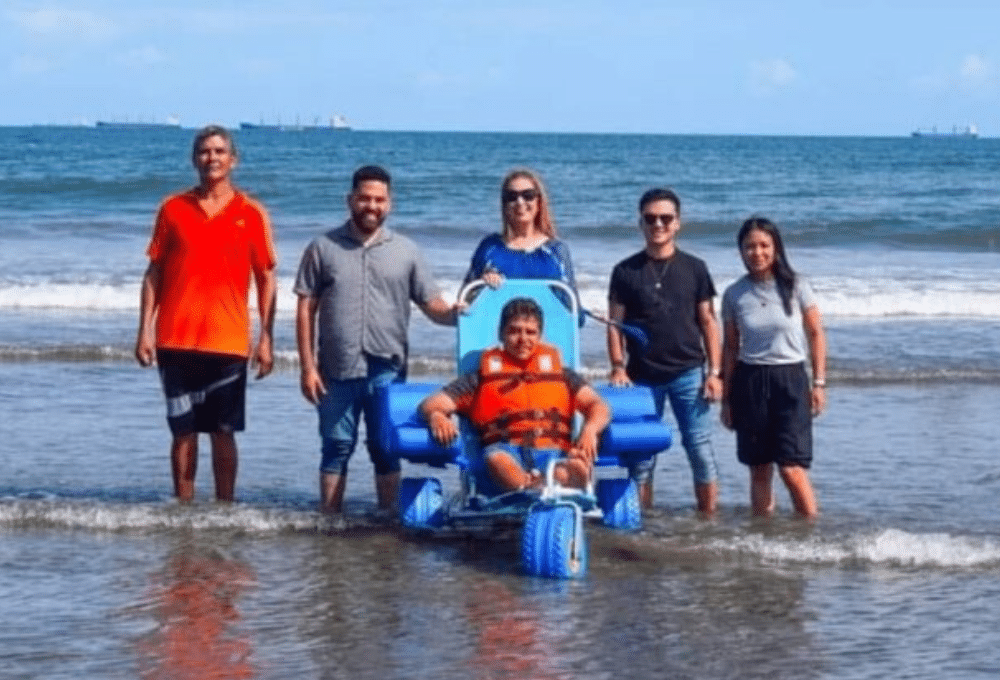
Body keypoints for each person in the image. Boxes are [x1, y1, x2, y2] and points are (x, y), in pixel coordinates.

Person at [294, 165, 458, 514]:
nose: (372, 206)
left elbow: (434, 306)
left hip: (387, 368)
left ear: (390, 204)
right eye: (365, 198)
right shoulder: (322, 247)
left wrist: (465, 313)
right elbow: (305, 308)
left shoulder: (407, 251)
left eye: (379, 200)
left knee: (385, 448)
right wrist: (308, 367)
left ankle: (388, 523)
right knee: (336, 446)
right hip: (335, 368)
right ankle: (329, 522)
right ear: (350, 199)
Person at [135, 125, 277, 503]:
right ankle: (184, 509)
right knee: (182, 432)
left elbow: (266, 277)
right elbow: (154, 272)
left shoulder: (251, 213)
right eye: (204, 151)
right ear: (194, 158)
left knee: (222, 431)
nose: (211, 158)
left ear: (233, 160)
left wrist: (265, 337)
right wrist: (143, 331)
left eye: (219, 151)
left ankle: (224, 509)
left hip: (228, 342)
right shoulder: (172, 208)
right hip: (174, 339)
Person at [606, 188, 722, 514]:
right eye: (650, 218)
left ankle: (708, 520)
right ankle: (641, 520)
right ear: (640, 223)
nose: (658, 224)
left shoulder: (695, 268)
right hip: (641, 377)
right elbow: (615, 325)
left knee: (699, 449)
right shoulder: (625, 271)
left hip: (689, 374)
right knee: (641, 455)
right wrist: (618, 366)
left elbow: (708, 321)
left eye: (665, 218)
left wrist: (714, 373)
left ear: (678, 224)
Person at [420, 298, 610, 492]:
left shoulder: (563, 375)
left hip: (553, 455)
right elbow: (432, 404)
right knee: (497, 459)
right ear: (501, 334)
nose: (523, 339)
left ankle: (538, 487)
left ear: (539, 336)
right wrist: (437, 416)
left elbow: (598, 405)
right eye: (514, 331)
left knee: (578, 467)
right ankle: (533, 490)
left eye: (530, 332)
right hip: (505, 454)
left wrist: (590, 430)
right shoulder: (479, 380)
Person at [720, 217, 827, 519]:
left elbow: (816, 333)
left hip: (790, 379)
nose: (757, 252)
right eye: (749, 247)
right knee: (759, 469)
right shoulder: (734, 294)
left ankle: (810, 532)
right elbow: (730, 347)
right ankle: (763, 536)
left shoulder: (798, 286)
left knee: (792, 468)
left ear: (776, 248)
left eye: (764, 245)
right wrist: (727, 399)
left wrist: (818, 383)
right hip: (750, 381)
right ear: (741, 251)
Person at [464, 168, 578, 293]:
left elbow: (571, 303)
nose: (520, 202)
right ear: (504, 204)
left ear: (539, 202)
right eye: (511, 197)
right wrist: (483, 285)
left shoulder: (556, 250)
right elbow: (466, 301)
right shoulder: (489, 248)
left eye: (528, 195)